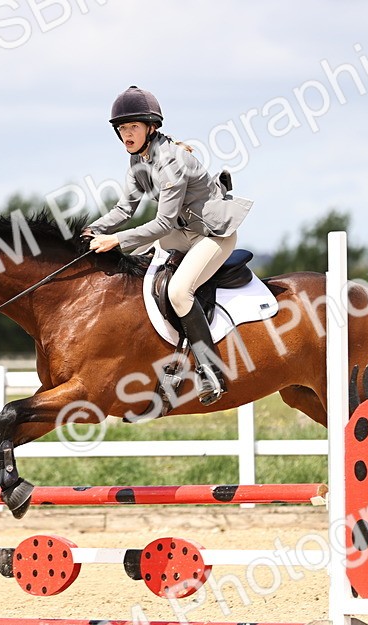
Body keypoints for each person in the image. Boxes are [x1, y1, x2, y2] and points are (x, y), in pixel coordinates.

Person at [85, 86, 252, 405]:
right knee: (132, 267)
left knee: (178, 291)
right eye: (122, 128)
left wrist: (115, 239)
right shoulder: (137, 162)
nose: (126, 134)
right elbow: (124, 210)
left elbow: (162, 222)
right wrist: (91, 230)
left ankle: (211, 370)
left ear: (151, 127)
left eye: (133, 126)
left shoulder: (172, 162)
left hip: (212, 234)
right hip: (181, 231)